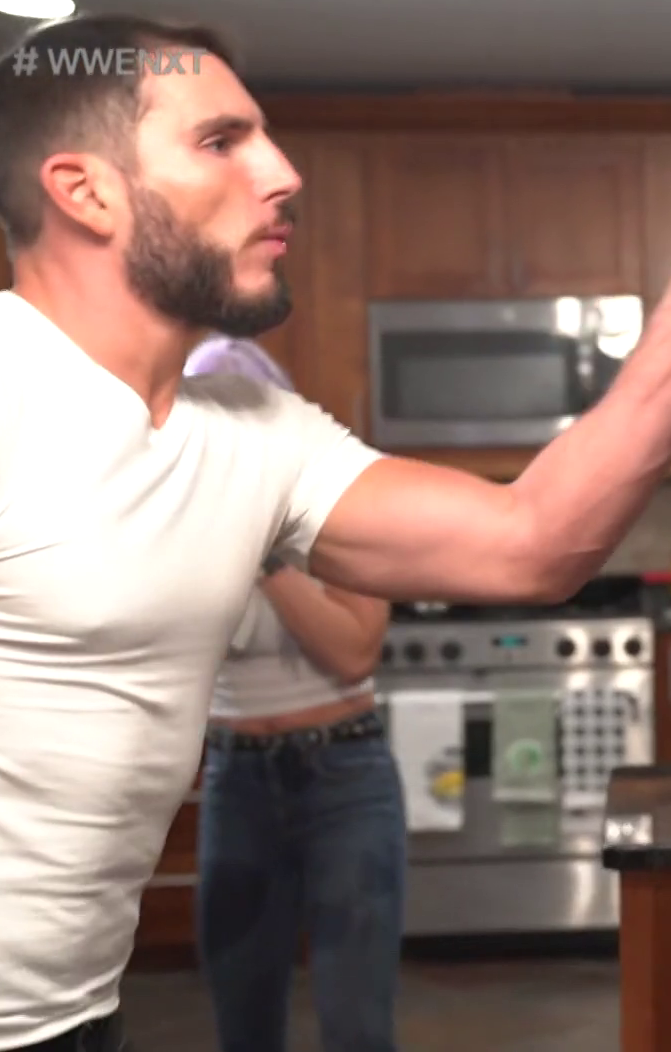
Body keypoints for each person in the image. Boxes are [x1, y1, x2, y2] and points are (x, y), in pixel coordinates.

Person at [0, 11, 671, 1052]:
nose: (283, 173)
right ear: (86, 191)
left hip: (77, 1016)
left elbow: (531, 541)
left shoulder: (254, 435)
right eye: (221, 141)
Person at [182, 332, 402, 1052]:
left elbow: (353, 651)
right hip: (236, 777)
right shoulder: (178, 522)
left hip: (344, 773)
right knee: (243, 1020)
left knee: (356, 1025)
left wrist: (266, 556)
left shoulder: (332, 508)